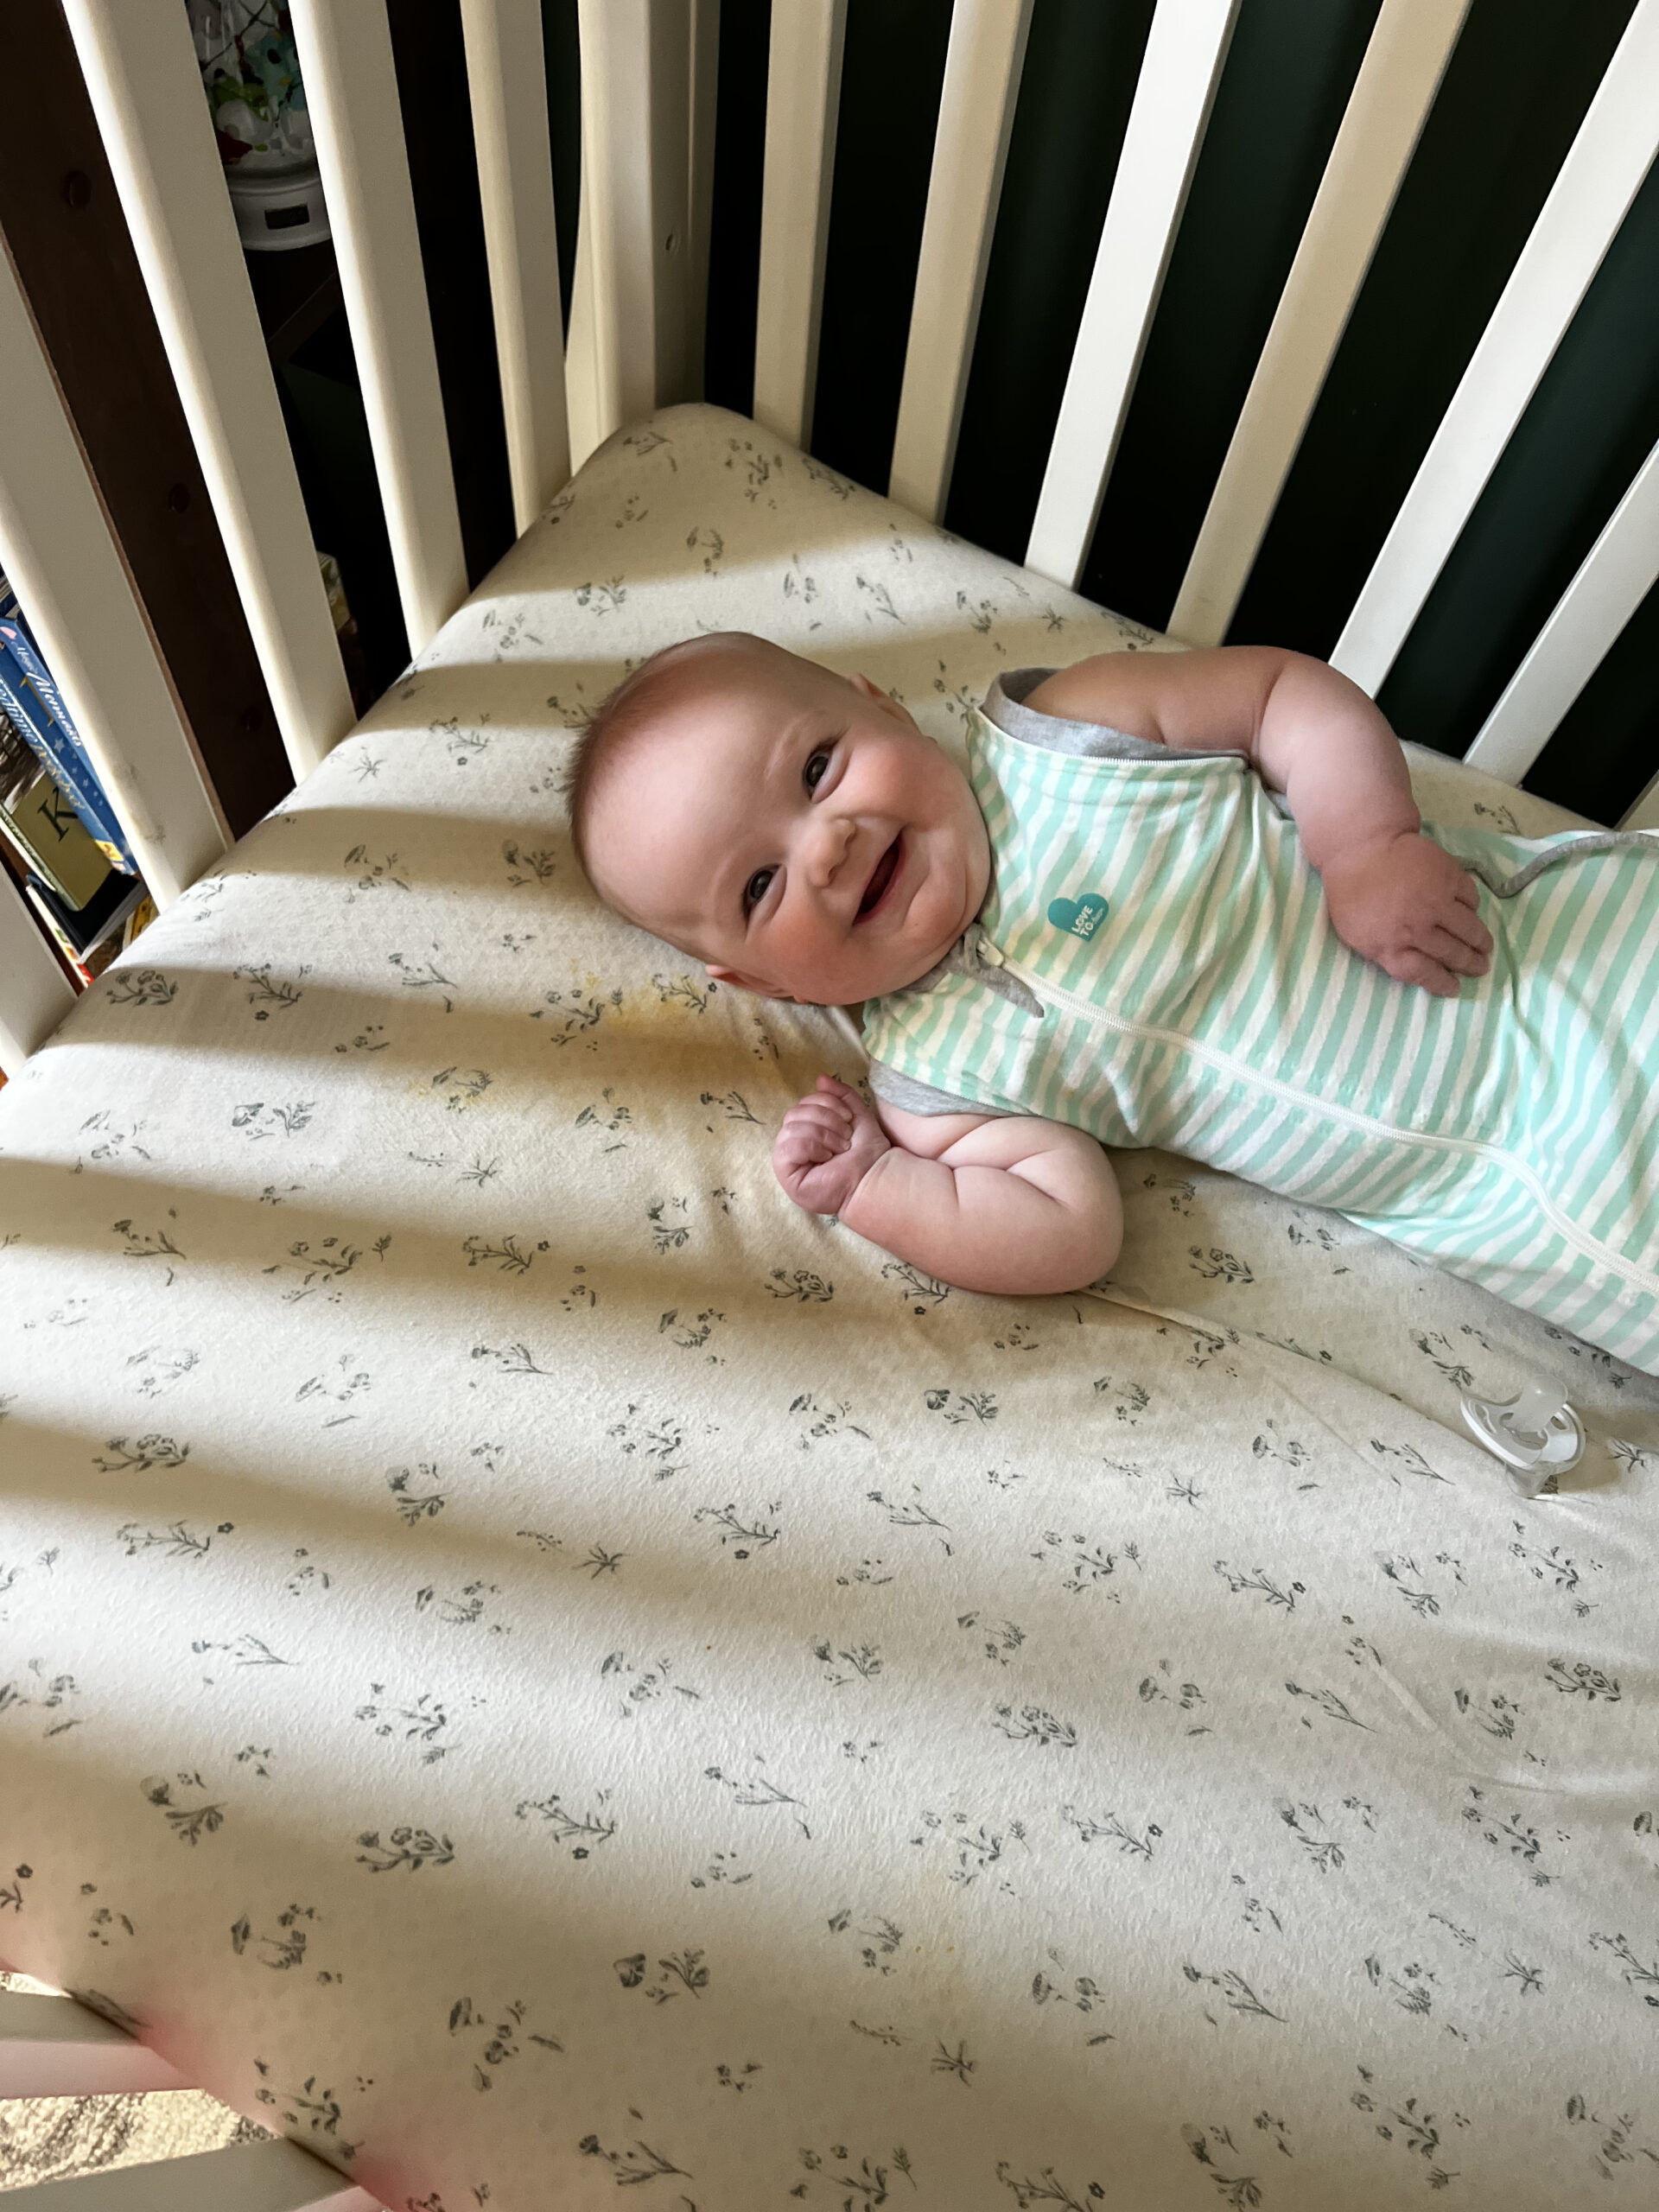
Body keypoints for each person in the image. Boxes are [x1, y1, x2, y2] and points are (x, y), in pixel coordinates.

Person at [566, 630, 1659, 1374]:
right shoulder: (934, 1077)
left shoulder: (1065, 737)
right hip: (1521, 1193)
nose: (829, 844)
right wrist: (876, 1181)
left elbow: (1281, 695)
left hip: (1558, 954)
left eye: (816, 770)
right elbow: (1068, 1228)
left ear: (879, 704)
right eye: (759, 887)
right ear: (763, 985)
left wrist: (1366, 843)